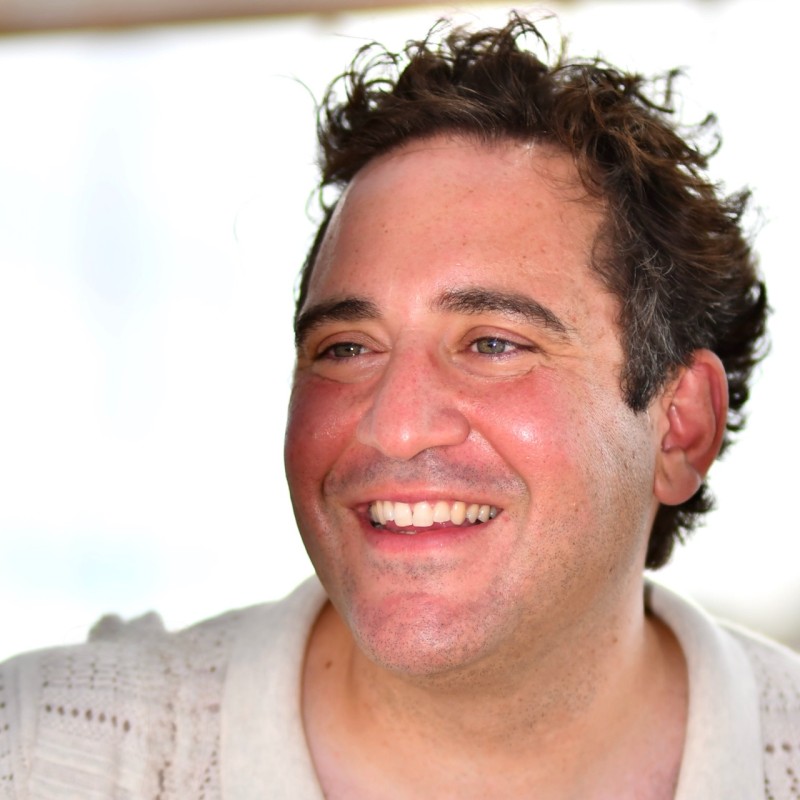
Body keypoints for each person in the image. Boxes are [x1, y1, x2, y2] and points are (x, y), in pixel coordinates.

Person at [0, 12, 797, 799]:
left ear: (680, 428)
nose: (395, 424)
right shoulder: (36, 757)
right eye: (348, 348)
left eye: (493, 344)